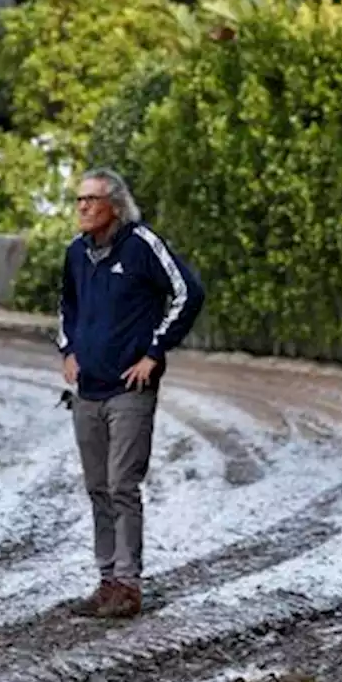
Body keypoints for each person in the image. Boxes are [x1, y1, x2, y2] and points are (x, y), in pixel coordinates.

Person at [58, 168, 206, 619]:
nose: (83, 207)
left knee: (123, 485)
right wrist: (67, 349)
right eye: (79, 200)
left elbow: (187, 293)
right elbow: (67, 304)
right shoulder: (76, 254)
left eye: (92, 200)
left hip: (130, 389)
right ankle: (106, 582)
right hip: (87, 389)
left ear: (115, 206)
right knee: (97, 487)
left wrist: (154, 352)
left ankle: (128, 584)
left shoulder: (142, 246)